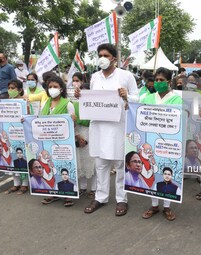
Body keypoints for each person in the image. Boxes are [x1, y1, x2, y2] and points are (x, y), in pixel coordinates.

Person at [76, 43, 139, 216]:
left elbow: (137, 98)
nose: (102, 58)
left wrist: (128, 96)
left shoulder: (126, 76)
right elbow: (90, 99)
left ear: (114, 58)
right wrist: (80, 96)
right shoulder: (95, 77)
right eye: (100, 55)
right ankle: (101, 197)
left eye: (106, 55)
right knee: (101, 164)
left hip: (118, 126)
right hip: (99, 127)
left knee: (120, 164)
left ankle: (121, 199)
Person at [141, 67, 182, 221]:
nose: (158, 82)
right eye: (156, 80)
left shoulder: (177, 100)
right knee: (153, 172)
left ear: (169, 81)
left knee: (167, 173)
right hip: (151, 141)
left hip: (168, 143)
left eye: (161, 80)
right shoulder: (148, 98)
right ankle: (154, 205)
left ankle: (167, 207)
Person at [40, 76, 75, 205]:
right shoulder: (45, 104)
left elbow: (73, 125)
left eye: (55, 87)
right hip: (47, 142)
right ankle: (52, 192)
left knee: (64, 167)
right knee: (50, 168)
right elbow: (39, 120)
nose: (52, 89)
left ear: (61, 89)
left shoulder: (68, 104)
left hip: (63, 143)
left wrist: (73, 120)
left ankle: (68, 195)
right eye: (50, 87)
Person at [72, 72, 96, 198]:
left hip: (92, 135)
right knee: (80, 161)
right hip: (78, 134)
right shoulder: (73, 105)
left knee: (93, 163)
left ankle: (94, 188)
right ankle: (82, 187)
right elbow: (72, 123)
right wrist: (77, 136)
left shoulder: (95, 107)